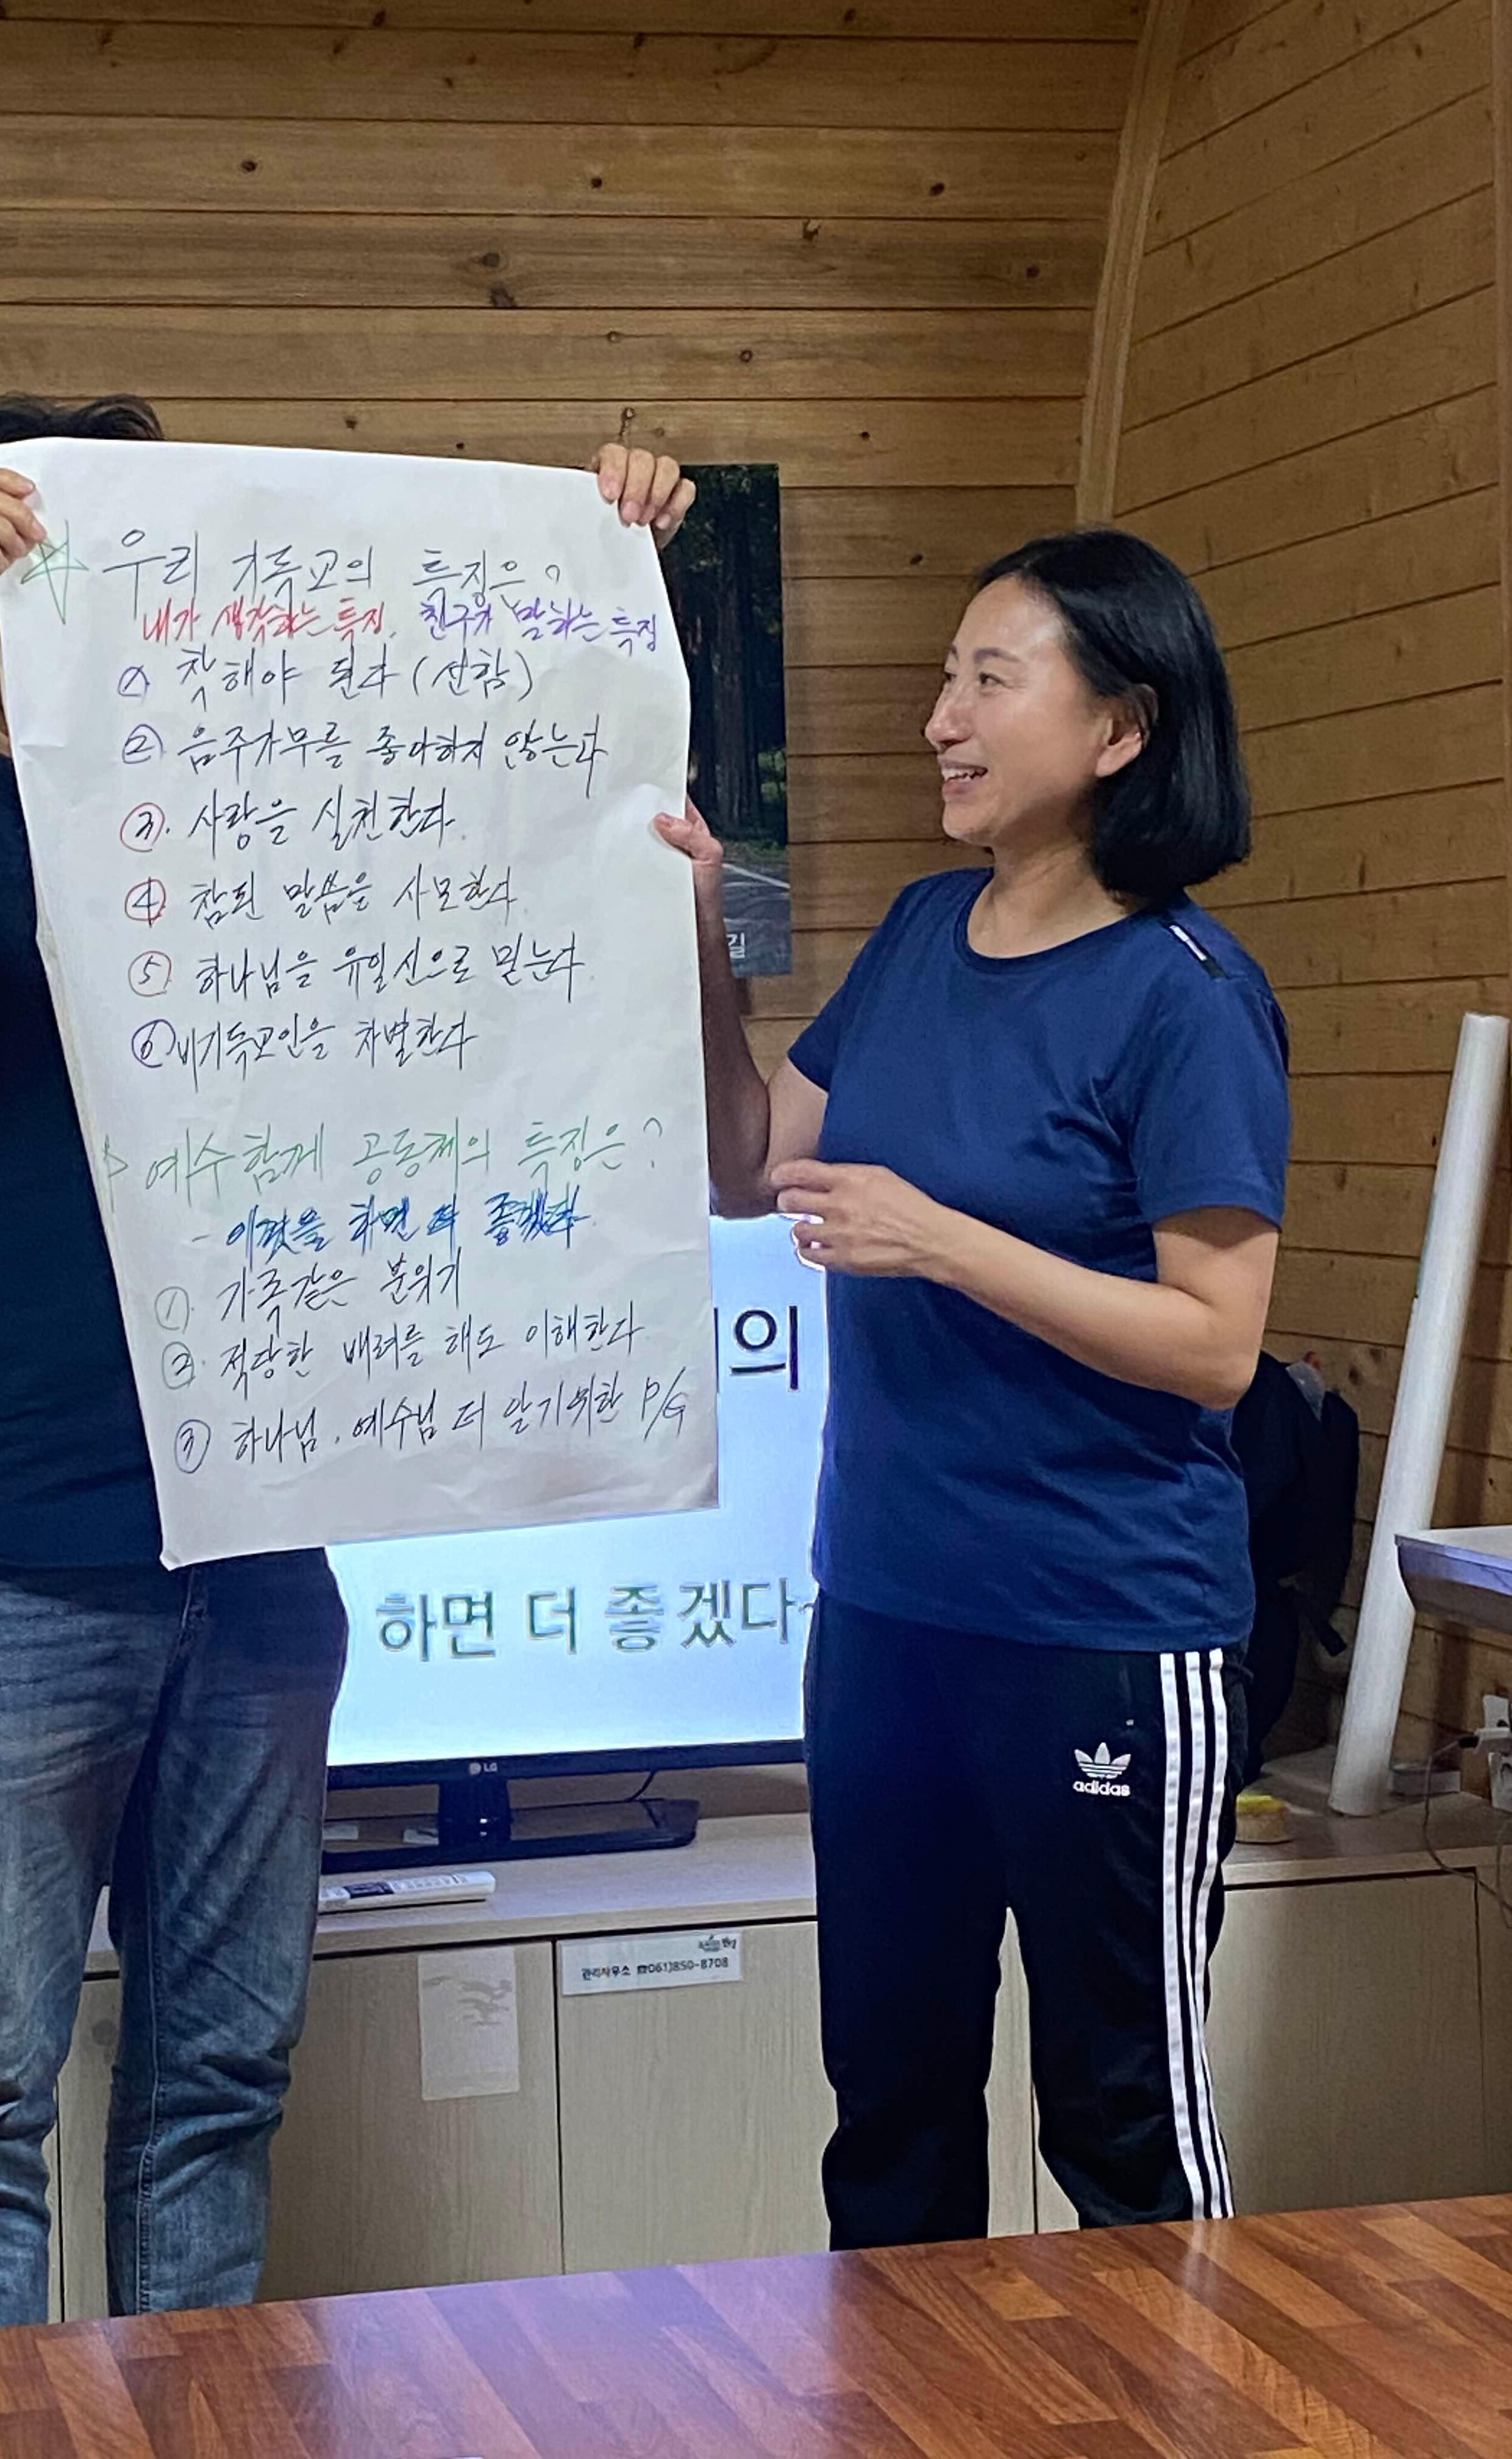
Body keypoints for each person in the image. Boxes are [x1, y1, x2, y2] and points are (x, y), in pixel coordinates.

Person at [0, 395, 693, 2333]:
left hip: (261, 1530)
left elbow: (512, 870)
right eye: (8, 549)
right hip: (5, 1547)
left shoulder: (274, 808)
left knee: (221, 2075)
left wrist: (598, 556)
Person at [658, 529, 1289, 2241]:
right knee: (891, 2108)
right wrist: (706, 935)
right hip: (885, 1619)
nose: (942, 719)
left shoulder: (1188, 998)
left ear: (1121, 729)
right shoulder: (926, 930)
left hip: (1105, 1631)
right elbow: (745, 1167)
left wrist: (944, 1243)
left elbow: (1215, 1344)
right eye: (947, 680)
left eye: (990, 682)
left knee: (1123, 2126)